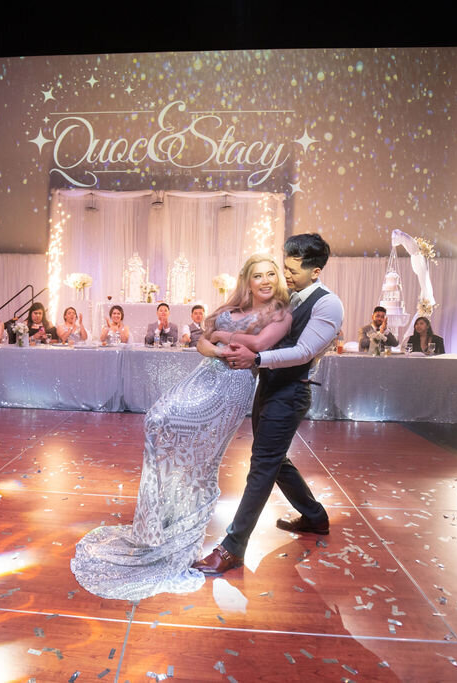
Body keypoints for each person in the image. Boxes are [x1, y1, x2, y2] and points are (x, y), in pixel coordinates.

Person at [71, 254, 292, 599]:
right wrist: (217, 345)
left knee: (202, 455)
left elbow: (260, 345)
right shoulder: (229, 308)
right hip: (206, 375)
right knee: (157, 420)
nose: (264, 281)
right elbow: (202, 342)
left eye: (270, 275)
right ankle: (161, 516)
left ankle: (187, 517)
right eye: (257, 275)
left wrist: (221, 334)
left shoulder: (280, 314)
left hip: (235, 385)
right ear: (247, 280)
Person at [193, 233, 344, 576]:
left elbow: (303, 351)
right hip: (269, 387)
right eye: (284, 267)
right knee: (274, 460)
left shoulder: (327, 304)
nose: (285, 276)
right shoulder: (288, 298)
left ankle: (233, 547)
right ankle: (315, 517)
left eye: (292, 271)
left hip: (291, 393)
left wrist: (256, 356)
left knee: (263, 465)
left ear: (316, 270)